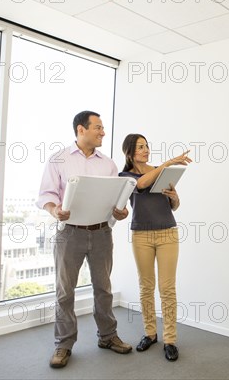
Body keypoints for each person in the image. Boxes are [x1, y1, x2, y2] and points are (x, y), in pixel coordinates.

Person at [36, 111, 131, 369]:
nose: (103, 132)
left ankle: (108, 337)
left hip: (102, 232)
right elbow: (46, 195)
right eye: (98, 127)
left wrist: (120, 211)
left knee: (104, 289)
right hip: (70, 234)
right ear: (81, 129)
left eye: (102, 128)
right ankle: (63, 345)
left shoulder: (108, 164)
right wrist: (55, 210)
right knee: (65, 292)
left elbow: (116, 201)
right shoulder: (59, 159)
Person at [119, 134, 191, 362]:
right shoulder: (126, 176)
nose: (146, 150)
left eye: (147, 146)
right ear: (129, 152)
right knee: (146, 286)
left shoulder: (161, 171)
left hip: (167, 233)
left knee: (167, 288)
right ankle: (150, 334)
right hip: (141, 236)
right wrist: (167, 163)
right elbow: (141, 184)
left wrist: (174, 197)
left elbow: (174, 206)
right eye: (140, 147)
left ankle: (170, 340)